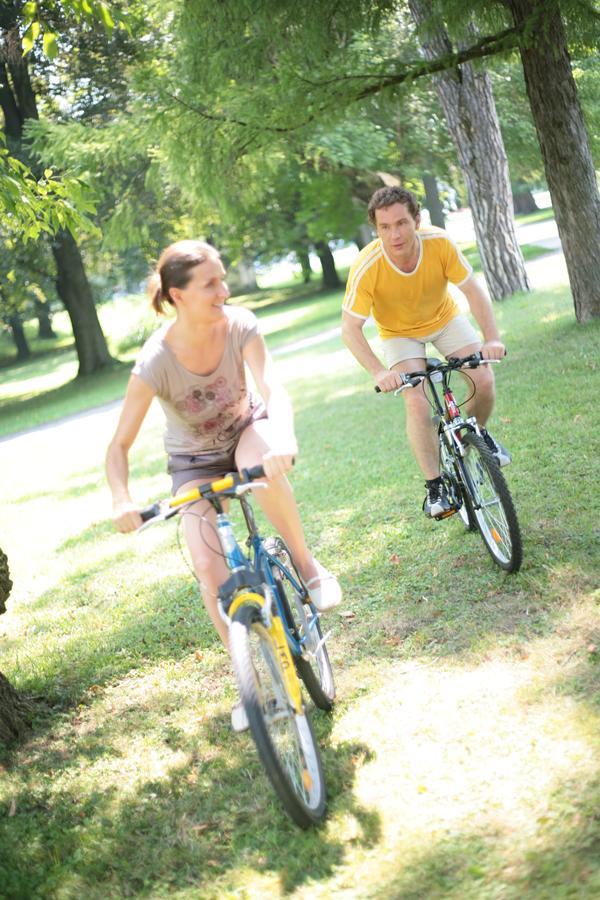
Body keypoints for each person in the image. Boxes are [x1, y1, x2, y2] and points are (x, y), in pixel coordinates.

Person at [106, 240, 342, 731]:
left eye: (222, 278)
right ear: (178, 295)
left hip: (246, 433)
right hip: (192, 464)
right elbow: (118, 447)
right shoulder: (155, 362)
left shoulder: (239, 324)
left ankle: (305, 563)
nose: (224, 289)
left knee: (260, 467)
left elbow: (272, 386)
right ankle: (249, 685)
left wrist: (284, 436)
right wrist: (121, 499)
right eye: (211, 283)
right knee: (209, 570)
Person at [341, 186, 511, 518]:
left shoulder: (439, 243)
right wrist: (380, 372)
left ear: (417, 220)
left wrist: (491, 338)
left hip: (444, 319)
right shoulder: (368, 264)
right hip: (399, 334)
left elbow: (472, 291)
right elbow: (350, 329)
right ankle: (436, 485)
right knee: (417, 403)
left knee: (484, 380)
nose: (395, 234)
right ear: (376, 230)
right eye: (385, 227)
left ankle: (474, 433)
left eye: (402, 223)